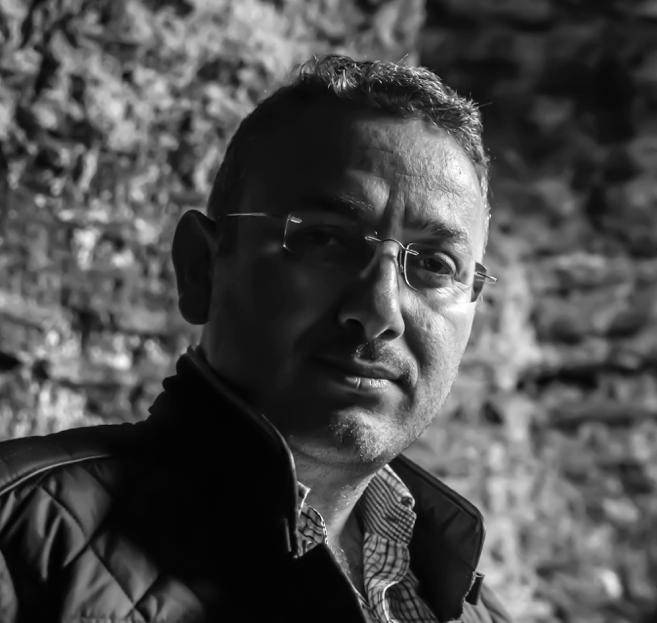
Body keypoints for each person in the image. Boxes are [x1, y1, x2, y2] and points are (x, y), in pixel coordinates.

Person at [0, 55, 509, 622]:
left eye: (436, 264)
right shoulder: (16, 537)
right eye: (325, 239)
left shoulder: (480, 612)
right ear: (201, 268)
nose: (379, 311)